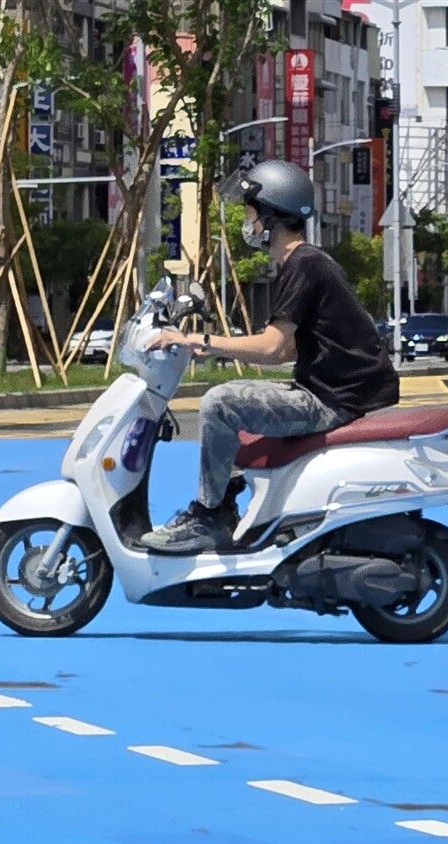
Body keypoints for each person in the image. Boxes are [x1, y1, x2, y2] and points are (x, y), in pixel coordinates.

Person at [140, 160, 400, 554]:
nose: (248, 221)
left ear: (272, 215)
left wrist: (200, 339)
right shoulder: (304, 263)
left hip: (332, 400)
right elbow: (286, 351)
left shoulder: (303, 264)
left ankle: (210, 516)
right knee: (238, 398)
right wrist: (213, 345)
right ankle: (227, 502)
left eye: (250, 211)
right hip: (334, 391)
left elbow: (272, 348)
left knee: (221, 403)